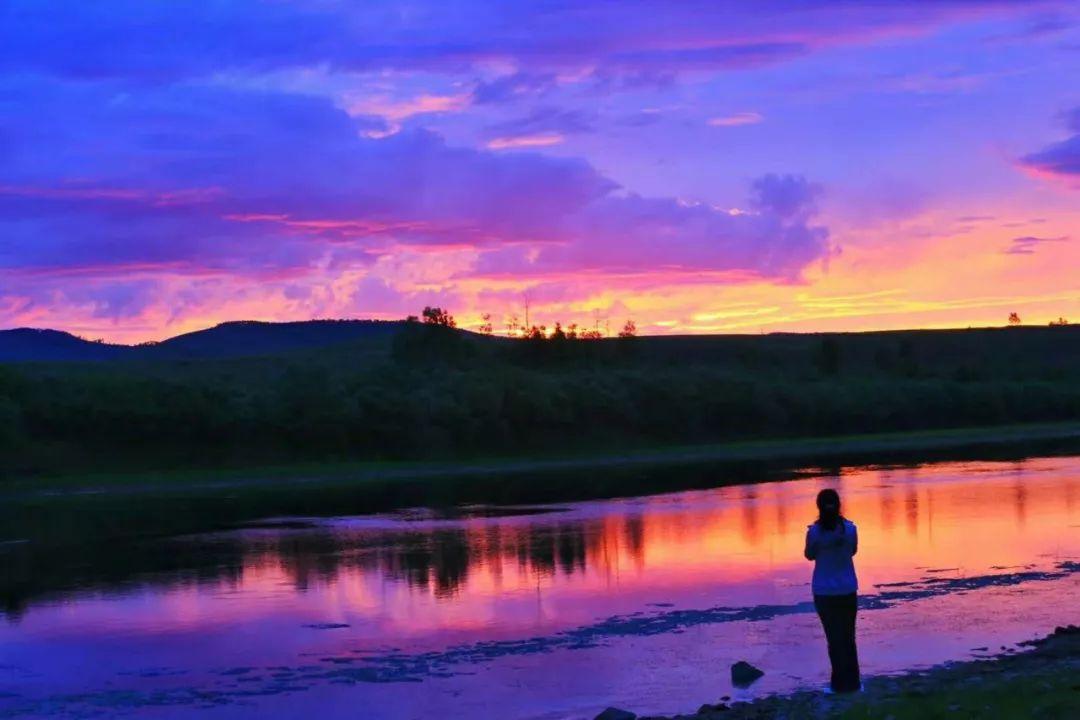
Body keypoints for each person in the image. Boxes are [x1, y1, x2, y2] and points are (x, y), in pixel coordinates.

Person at [804, 488, 861, 693]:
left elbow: (809, 555)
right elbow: (853, 551)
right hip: (847, 588)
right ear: (839, 505)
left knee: (833, 639)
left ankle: (838, 684)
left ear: (819, 507)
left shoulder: (814, 532)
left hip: (824, 592)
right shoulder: (850, 529)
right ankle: (853, 683)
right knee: (848, 637)